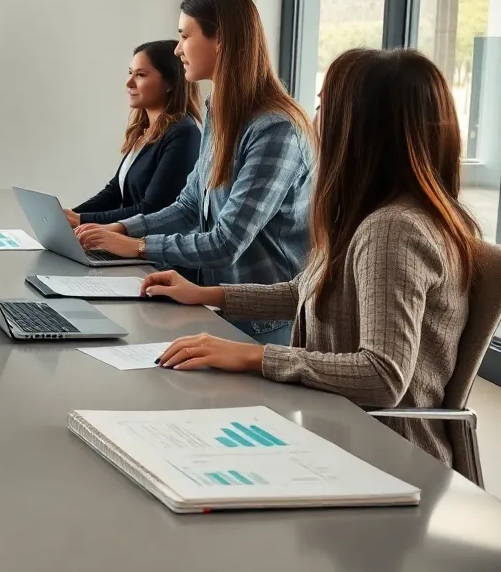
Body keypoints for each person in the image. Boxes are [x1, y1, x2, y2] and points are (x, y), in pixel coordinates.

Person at [145, 48, 481, 468]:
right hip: (336, 433)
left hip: (382, 457)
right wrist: (204, 294)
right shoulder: (372, 214)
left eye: (323, 107)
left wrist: (253, 356)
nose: (312, 120)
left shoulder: (393, 229)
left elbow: (382, 374)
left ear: (360, 127)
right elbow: (305, 291)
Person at [75, 0, 314, 345]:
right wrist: (120, 230)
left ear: (220, 40)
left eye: (185, 36)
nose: (177, 49)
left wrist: (138, 246)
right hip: (219, 308)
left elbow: (226, 242)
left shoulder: (276, 129)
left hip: (264, 325)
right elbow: (188, 206)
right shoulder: (219, 111)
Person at [65, 40, 202, 227]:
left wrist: (81, 220)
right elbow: (114, 192)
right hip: (123, 237)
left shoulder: (184, 133)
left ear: (170, 83)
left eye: (140, 75)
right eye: (130, 73)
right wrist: (69, 215)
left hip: (147, 242)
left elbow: (152, 209)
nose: (129, 82)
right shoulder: (144, 132)